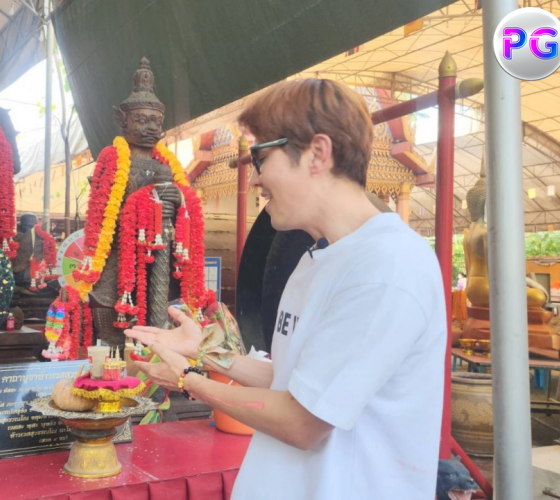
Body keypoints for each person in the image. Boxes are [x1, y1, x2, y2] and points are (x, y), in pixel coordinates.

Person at [126, 79, 446, 499]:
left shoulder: (386, 267)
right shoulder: (318, 256)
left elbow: (302, 422)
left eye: (261, 157)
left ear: (317, 153)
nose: (256, 179)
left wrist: (188, 379)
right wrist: (203, 352)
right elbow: (296, 377)